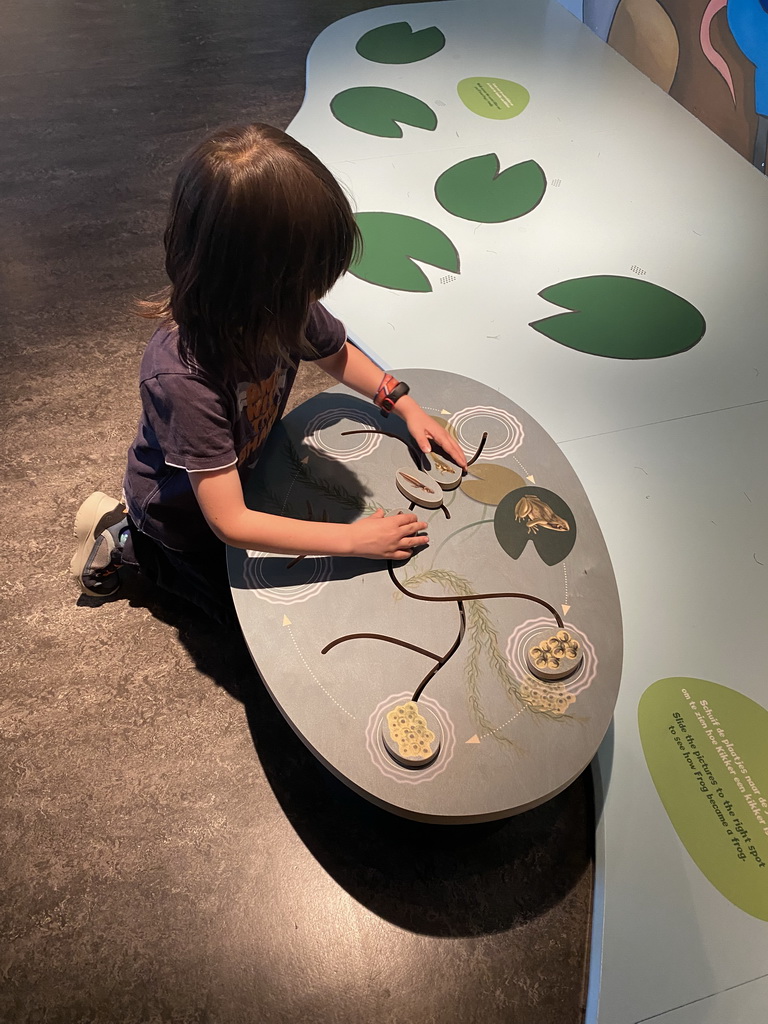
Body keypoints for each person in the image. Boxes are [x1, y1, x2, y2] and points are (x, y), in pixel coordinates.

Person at [70, 123, 467, 627]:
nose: (311, 299)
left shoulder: (281, 308)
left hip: (241, 475)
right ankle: (127, 545)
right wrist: (353, 539)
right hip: (183, 522)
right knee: (236, 620)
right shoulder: (181, 377)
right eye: (302, 281)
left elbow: (335, 351)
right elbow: (230, 522)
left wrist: (400, 401)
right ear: (254, 282)